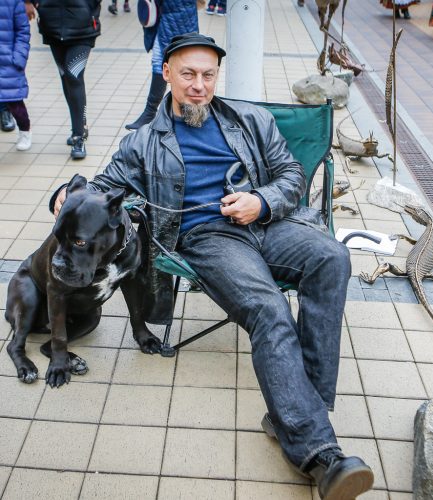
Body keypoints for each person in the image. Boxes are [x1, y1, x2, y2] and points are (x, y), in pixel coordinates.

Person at [52, 33, 374, 499]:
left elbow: (291, 175)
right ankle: (320, 454)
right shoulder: (143, 142)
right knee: (268, 308)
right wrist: (65, 193)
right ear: (167, 74)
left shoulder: (251, 119)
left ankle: (296, 411)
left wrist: (259, 200)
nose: (199, 85)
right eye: (188, 74)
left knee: (332, 256)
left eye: (207, 75)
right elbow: (102, 188)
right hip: (209, 237)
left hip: (267, 222)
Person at [34, 0, 103, 160]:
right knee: (66, 78)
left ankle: (78, 137)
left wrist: (87, 8)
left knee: (73, 77)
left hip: (83, 27)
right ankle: (79, 125)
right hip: (52, 26)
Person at [125, 0, 200, 130]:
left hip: (178, 18)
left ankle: (182, 113)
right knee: (162, 63)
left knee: (179, 66)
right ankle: (153, 112)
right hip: (169, 18)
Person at [0, 0, 32, 151]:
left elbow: (22, 30)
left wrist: (19, 58)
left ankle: (25, 131)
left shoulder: (12, 2)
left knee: (15, 103)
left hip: (8, 61)